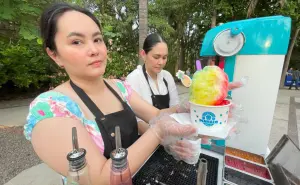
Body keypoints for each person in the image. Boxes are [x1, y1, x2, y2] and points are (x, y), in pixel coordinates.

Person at [23, 3, 198, 185]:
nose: (94, 50)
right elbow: (100, 178)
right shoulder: (51, 108)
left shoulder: (119, 88)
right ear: (54, 55)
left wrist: (186, 107)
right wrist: (158, 132)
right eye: (76, 42)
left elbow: (155, 115)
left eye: (97, 39)